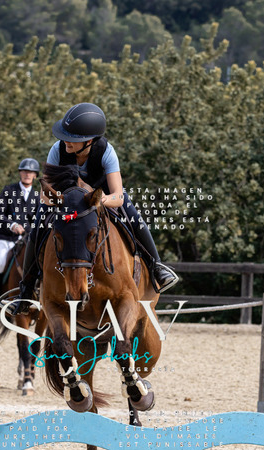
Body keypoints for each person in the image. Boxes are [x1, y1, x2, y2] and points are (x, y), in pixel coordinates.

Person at [13, 103, 178, 314]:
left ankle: (156, 267)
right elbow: (45, 194)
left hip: (103, 195)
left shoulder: (106, 152)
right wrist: (60, 201)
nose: (65, 141)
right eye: (65, 136)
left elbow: (118, 196)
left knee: (135, 218)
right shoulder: (57, 149)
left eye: (72, 138)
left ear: (89, 141)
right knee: (37, 226)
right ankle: (26, 290)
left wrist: (100, 200)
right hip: (66, 200)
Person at [0, 158, 41, 313]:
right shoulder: (8, 191)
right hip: (7, 238)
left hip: (26, 240)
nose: (27, 174)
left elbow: (38, 220)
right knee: (0, 263)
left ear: (35, 175)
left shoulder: (37, 196)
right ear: (20, 173)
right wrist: (13, 225)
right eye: (24, 171)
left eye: (30, 172)